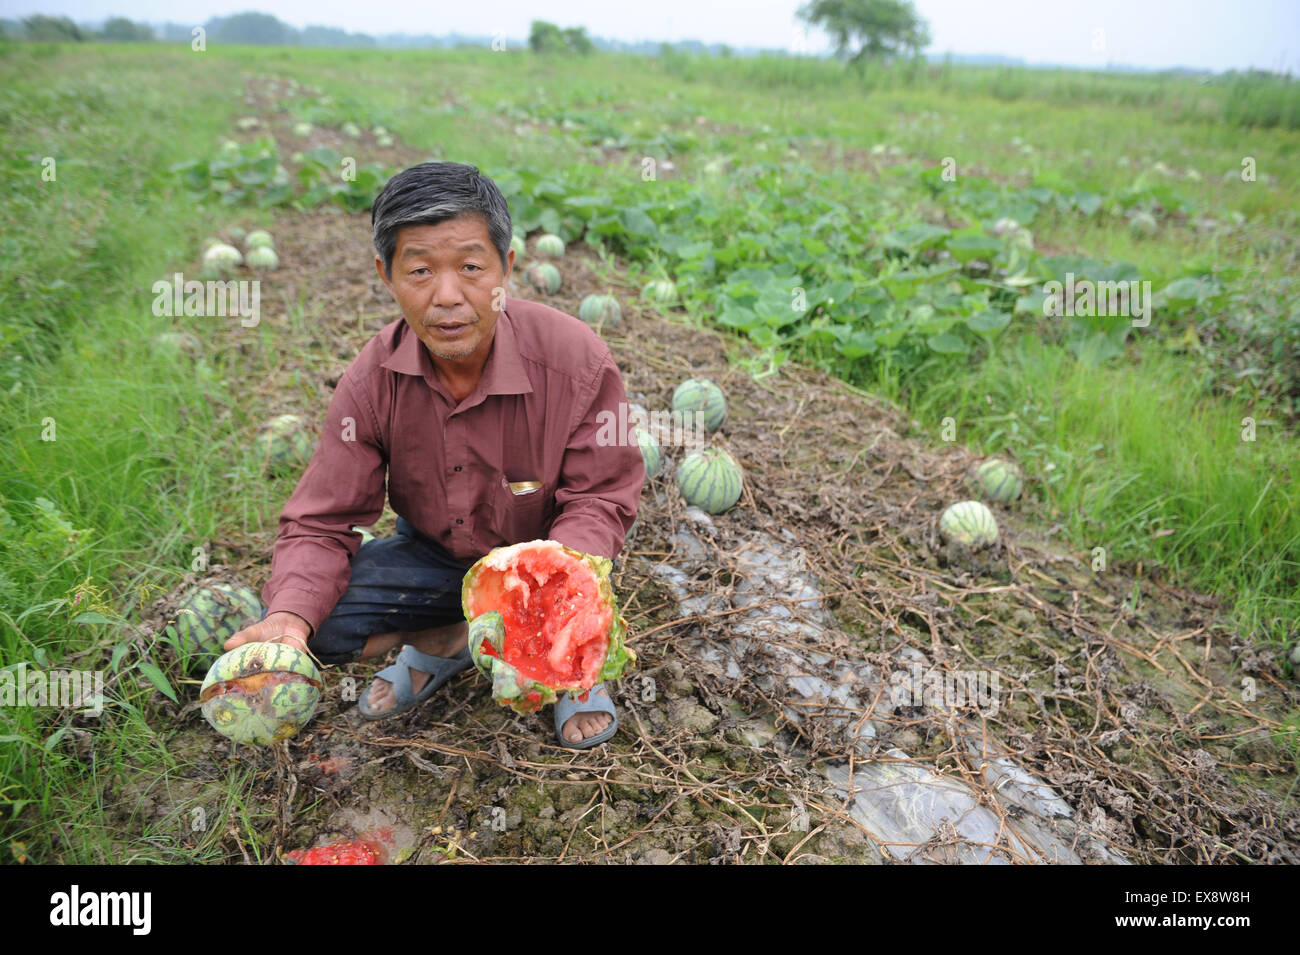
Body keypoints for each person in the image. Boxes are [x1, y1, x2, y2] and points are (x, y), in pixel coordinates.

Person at [224, 161, 643, 748]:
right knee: (309, 622)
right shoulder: (371, 382)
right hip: (437, 562)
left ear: (507, 268)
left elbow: (599, 496)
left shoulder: (576, 359)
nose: (448, 296)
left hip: (545, 564)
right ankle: (450, 638)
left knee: (562, 606)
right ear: (386, 276)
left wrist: (554, 585)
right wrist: (289, 619)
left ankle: (567, 661)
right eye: (420, 270)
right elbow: (321, 521)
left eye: (472, 268)